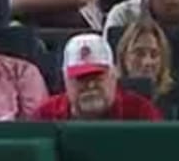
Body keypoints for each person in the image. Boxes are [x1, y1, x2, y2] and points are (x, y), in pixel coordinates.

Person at [32, 32, 162, 119]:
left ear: (114, 75)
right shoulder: (45, 116)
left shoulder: (141, 113)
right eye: (81, 78)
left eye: (97, 76)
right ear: (66, 81)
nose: (90, 84)